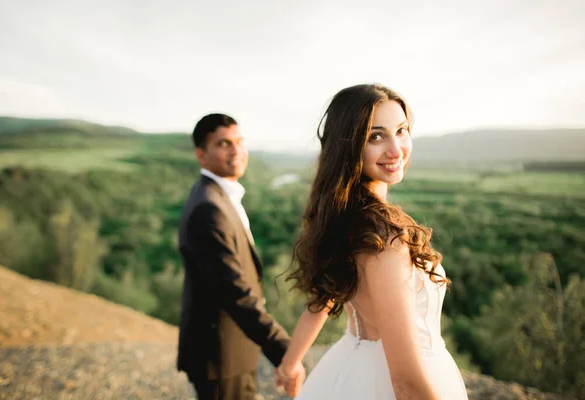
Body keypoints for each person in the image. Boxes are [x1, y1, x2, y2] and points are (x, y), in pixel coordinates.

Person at [274, 84, 468, 399]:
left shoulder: (346, 218)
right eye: (375, 136)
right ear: (347, 146)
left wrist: (290, 364)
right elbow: (404, 380)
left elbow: (322, 300)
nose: (396, 149)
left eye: (401, 131)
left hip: (350, 368)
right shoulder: (385, 239)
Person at [177, 113, 304, 400]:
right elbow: (234, 292)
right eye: (223, 143)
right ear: (201, 154)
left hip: (231, 348)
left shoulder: (217, 196)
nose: (236, 150)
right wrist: (285, 351)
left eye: (239, 141)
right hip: (220, 354)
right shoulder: (208, 209)